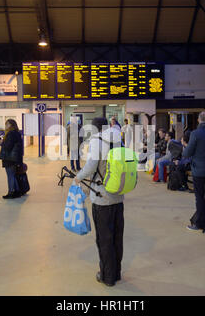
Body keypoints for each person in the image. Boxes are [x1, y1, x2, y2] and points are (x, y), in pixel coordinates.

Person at [75, 117, 124, 287]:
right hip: (118, 196)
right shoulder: (118, 138)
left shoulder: (96, 141)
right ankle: (116, 273)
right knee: (117, 237)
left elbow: (91, 166)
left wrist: (78, 177)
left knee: (104, 239)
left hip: (102, 197)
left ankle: (107, 276)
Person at [0, 119, 24, 199]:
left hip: (9, 158)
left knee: (10, 176)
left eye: (7, 124)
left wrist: (1, 143)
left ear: (11, 125)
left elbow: (8, 147)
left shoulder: (10, 134)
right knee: (13, 175)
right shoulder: (17, 133)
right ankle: (16, 191)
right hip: (15, 158)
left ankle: (11, 192)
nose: (5, 126)